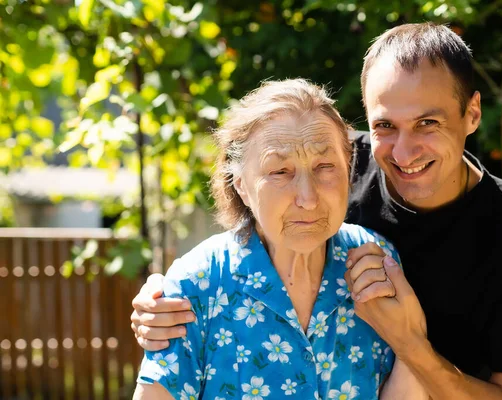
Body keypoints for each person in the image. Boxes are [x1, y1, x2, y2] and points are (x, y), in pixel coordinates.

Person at [131, 23, 502, 399]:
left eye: (428, 123)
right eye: (385, 126)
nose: (404, 151)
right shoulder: (334, 160)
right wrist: (167, 297)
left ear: (472, 114)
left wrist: (410, 343)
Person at [133, 79, 427, 399]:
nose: (308, 197)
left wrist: (413, 335)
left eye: (325, 166)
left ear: (349, 167)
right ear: (242, 185)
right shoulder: (196, 284)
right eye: (280, 172)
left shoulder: (376, 261)